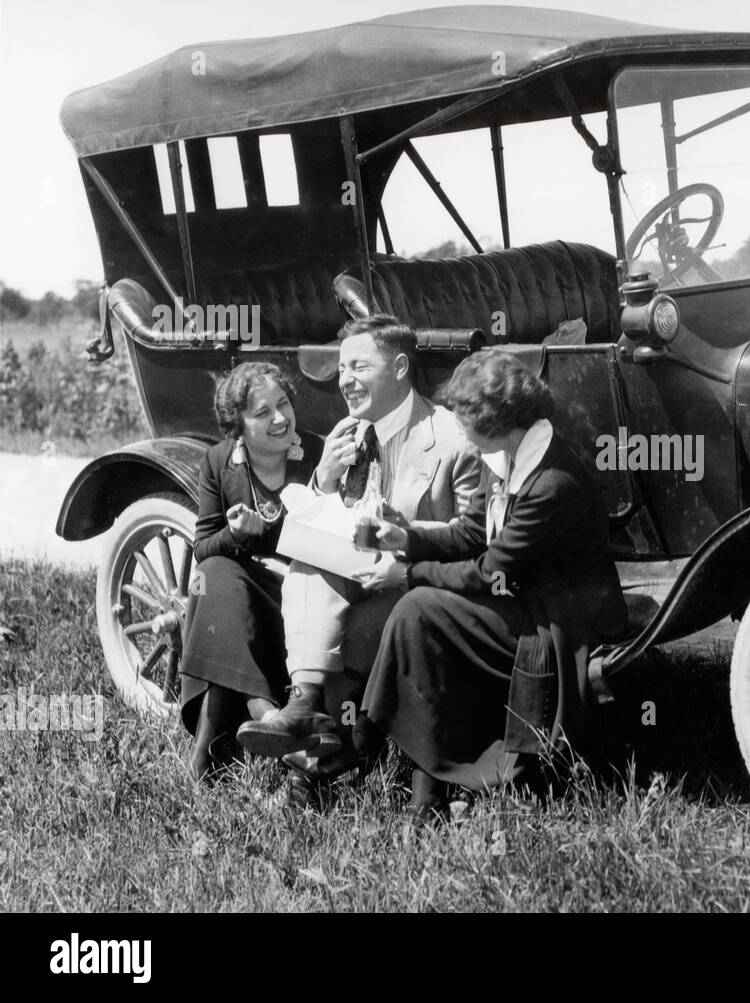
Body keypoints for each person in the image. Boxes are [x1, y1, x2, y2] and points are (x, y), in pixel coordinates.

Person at [356, 349, 629, 820]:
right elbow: (471, 535)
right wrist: (411, 539)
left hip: (564, 624)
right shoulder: (504, 456)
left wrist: (407, 575)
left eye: (465, 419)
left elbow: (490, 572)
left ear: (496, 420)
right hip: (526, 600)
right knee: (421, 615)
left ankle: (367, 745)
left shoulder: (552, 481)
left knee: (419, 608)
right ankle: (424, 783)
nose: (458, 428)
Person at [235, 315, 479, 772]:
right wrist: (324, 477)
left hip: (416, 584)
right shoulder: (351, 433)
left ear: (401, 367)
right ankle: (310, 712)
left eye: (359, 368)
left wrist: (404, 542)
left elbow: (474, 539)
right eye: (342, 369)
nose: (345, 381)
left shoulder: (451, 439)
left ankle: (312, 752)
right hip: (356, 573)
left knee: (331, 609)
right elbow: (335, 524)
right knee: (309, 569)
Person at [179, 362, 324, 781]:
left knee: (219, 593)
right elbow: (203, 547)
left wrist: (267, 534)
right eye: (262, 413)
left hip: (304, 598)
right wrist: (236, 534)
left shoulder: (315, 454)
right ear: (237, 426)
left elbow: (329, 540)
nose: (280, 419)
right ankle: (267, 714)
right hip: (245, 604)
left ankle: (204, 758)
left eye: (283, 405)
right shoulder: (219, 461)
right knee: (218, 573)